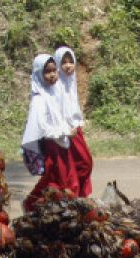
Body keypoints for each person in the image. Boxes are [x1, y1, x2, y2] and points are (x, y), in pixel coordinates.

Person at [21, 53, 78, 212]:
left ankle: (60, 209)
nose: (53, 74)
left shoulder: (55, 91)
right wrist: (64, 132)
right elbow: (43, 128)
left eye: (54, 70)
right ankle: (31, 204)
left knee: (67, 180)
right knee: (55, 181)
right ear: (39, 73)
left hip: (62, 143)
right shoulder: (39, 99)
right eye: (47, 71)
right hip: (52, 145)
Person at [53, 45, 93, 198]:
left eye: (70, 61)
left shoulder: (71, 80)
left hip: (76, 129)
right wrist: (65, 128)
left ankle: (80, 197)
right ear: (57, 64)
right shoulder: (56, 85)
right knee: (76, 166)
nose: (68, 65)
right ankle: (76, 197)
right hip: (65, 132)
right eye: (64, 62)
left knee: (84, 163)